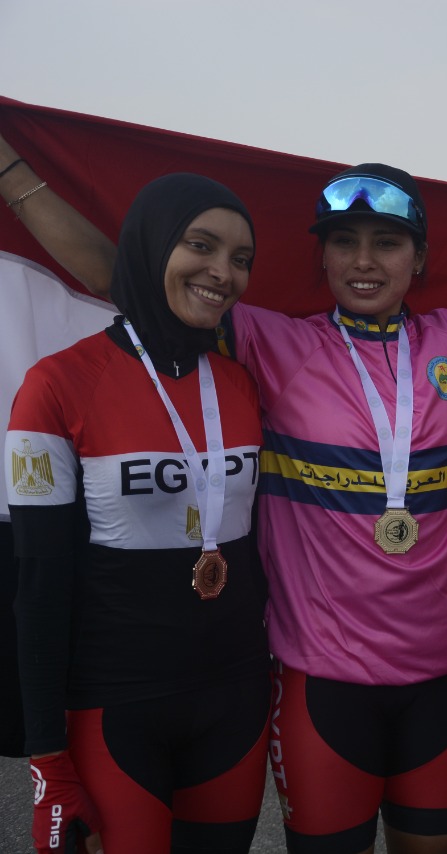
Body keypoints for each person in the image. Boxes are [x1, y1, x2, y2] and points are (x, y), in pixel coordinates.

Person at [2, 136, 447, 853]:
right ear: (320, 257)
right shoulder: (270, 343)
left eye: (387, 243)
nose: (363, 261)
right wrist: (11, 173)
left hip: (443, 673)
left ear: (420, 258)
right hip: (316, 675)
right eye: (344, 242)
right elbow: (125, 275)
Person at [4, 173, 270, 852]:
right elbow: (37, 583)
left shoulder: (241, 381)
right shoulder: (55, 385)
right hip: (115, 704)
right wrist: (47, 757)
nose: (224, 272)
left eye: (241, 258)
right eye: (201, 245)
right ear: (151, 247)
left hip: (236, 694)